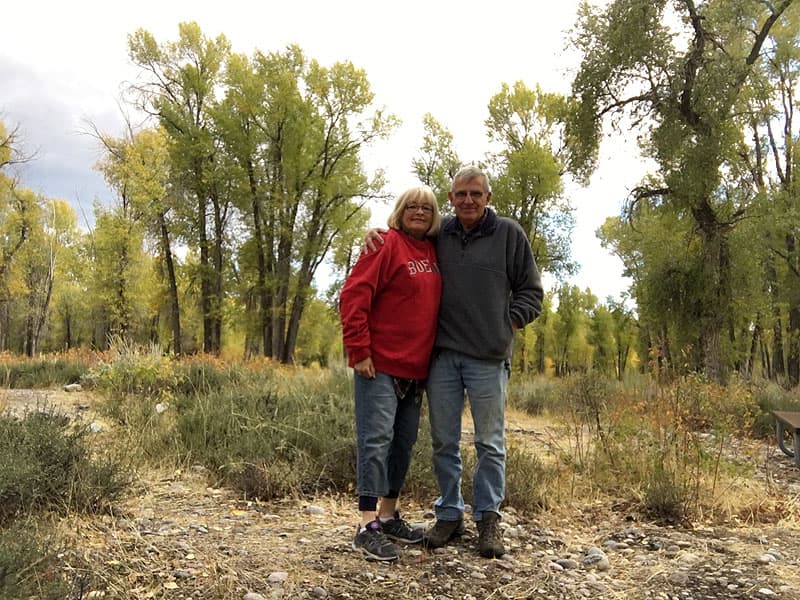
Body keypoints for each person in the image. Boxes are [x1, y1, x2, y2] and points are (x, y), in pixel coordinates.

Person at [365, 166, 542, 558]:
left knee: (489, 442)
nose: (468, 200)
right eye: (460, 194)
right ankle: (448, 515)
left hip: (489, 358)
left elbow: (531, 291)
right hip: (442, 357)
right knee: (444, 441)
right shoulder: (439, 233)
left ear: (488, 198)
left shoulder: (509, 234)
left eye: (475, 194)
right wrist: (372, 234)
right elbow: (402, 236)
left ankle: (488, 519)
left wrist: (507, 322)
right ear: (451, 198)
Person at [339, 185, 442, 562]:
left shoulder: (433, 251)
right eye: (411, 206)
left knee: (402, 444)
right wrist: (359, 350)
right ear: (399, 211)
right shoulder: (384, 244)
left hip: (416, 370)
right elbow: (353, 296)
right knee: (376, 441)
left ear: (434, 217)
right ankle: (367, 525)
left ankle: (389, 514)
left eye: (426, 208)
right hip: (379, 365)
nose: (418, 212)